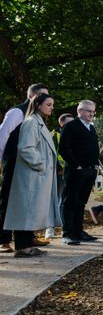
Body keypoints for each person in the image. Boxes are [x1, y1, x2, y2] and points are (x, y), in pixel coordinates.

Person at [3, 93, 61, 257]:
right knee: (25, 209)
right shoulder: (31, 122)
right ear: (38, 105)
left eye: (52, 104)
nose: (51, 108)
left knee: (30, 210)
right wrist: (41, 164)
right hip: (31, 174)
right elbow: (26, 148)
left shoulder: (38, 122)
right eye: (48, 104)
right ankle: (22, 246)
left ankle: (27, 244)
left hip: (35, 175)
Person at [0, 83, 49, 253]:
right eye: (42, 96)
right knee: (7, 200)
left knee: (28, 201)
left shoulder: (37, 117)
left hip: (27, 165)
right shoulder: (17, 112)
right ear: (32, 96)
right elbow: (3, 134)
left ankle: (28, 238)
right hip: (13, 161)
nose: (46, 100)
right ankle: (4, 240)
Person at [58, 99, 100, 245]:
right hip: (76, 171)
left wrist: (95, 166)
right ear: (80, 111)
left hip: (90, 171)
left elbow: (94, 148)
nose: (92, 114)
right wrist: (77, 166)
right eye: (89, 111)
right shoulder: (71, 126)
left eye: (93, 111)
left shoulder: (91, 128)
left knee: (81, 203)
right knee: (70, 202)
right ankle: (68, 233)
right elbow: (64, 149)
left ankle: (78, 231)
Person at [45, 113, 75, 239]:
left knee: (66, 201)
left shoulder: (74, 136)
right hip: (57, 173)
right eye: (69, 123)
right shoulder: (54, 135)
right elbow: (50, 154)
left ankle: (65, 227)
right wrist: (59, 168)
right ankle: (49, 228)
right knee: (54, 201)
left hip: (71, 172)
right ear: (61, 123)